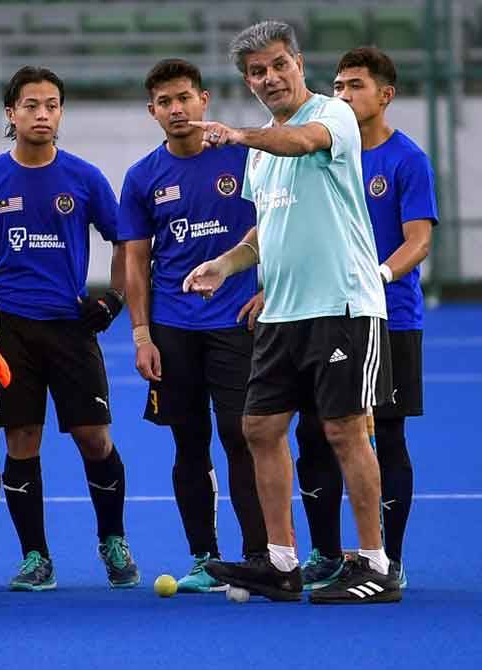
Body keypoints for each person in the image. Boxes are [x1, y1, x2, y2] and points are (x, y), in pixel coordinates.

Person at [183, 20, 401, 603]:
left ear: (299, 64)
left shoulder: (332, 115)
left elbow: (301, 142)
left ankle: (376, 564)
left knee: (344, 429)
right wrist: (224, 264)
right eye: (257, 72)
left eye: (279, 64)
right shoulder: (260, 155)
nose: (270, 77)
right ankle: (281, 563)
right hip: (282, 312)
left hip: (342, 304)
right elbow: (266, 228)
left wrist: (239, 135)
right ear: (248, 81)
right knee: (259, 427)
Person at [0, 66, 139, 591]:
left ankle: (113, 539)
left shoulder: (84, 177)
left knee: (94, 438)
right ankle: (35, 556)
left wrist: (115, 298)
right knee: (21, 440)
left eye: (52, 105)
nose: (43, 114)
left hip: (70, 327)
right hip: (10, 329)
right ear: (11, 113)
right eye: (31, 105)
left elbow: (124, 242)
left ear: (61, 113)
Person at [290, 47, 437, 591]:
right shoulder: (324, 152)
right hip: (322, 314)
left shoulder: (406, 160)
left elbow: (418, 241)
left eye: (355, 85)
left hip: (389, 318)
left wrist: (378, 276)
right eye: (338, 86)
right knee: (314, 432)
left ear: (385, 95)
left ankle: (387, 559)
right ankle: (327, 554)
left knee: (388, 436)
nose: (344, 95)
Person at [118, 58, 267, 593]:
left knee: (242, 435)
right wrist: (141, 335)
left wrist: (270, 289)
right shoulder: (142, 177)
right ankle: (205, 558)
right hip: (173, 327)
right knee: (189, 441)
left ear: (204, 99)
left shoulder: (245, 158)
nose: (176, 109)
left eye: (184, 97)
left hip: (237, 319)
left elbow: (278, 224)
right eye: (165, 102)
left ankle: (260, 555)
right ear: (152, 111)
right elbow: (136, 261)